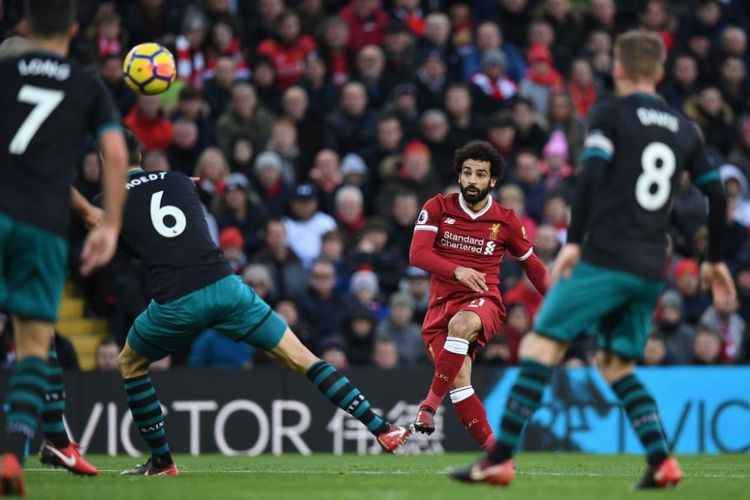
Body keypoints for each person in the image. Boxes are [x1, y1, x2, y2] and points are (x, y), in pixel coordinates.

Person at [450, 30, 735, 490]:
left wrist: (575, 241)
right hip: (650, 267)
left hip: (607, 256)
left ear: (618, 68)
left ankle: (498, 460)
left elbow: (590, 177)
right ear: (660, 72)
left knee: (542, 346)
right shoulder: (685, 128)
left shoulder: (610, 113)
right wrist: (716, 258)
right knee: (616, 364)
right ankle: (662, 461)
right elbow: (717, 195)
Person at [103, 130, 412, 476]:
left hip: (177, 301)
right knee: (305, 359)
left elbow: (123, 245)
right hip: (227, 287)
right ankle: (382, 428)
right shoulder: (178, 180)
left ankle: (161, 461)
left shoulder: (108, 197)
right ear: (141, 157)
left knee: (130, 363)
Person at [0, 0, 128, 489]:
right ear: (75, 30)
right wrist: (109, 225)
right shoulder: (86, 84)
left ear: (25, 26)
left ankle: (54, 443)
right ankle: (12, 454)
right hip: (42, 225)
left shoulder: (6, 73)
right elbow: (115, 152)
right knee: (34, 344)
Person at [409, 141, 548, 452]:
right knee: (459, 384)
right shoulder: (437, 207)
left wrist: (557, 303)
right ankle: (497, 456)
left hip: (483, 301)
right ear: (459, 174)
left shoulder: (506, 220)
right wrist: (457, 270)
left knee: (462, 324)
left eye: (481, 175)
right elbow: (417, 254)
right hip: (438, 309)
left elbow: (533, 266)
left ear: (492, 181)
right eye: (467, 173)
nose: (472, 180)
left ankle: (429, 406)